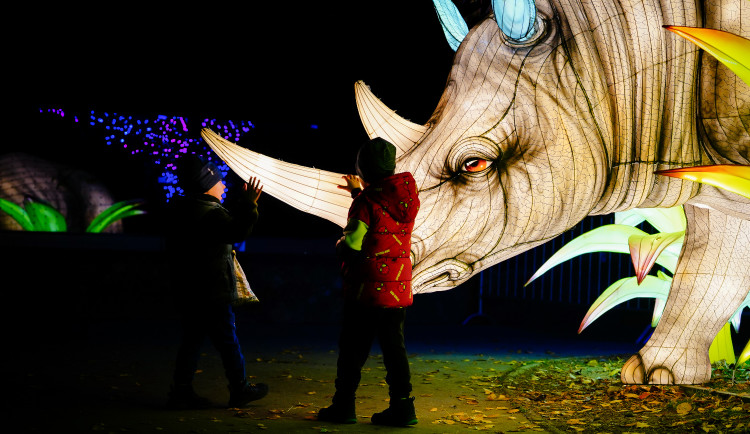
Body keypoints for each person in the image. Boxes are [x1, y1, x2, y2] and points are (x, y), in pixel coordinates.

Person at [317, 137, 420, 426]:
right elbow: (382, 218)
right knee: (394, 348)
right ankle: (403, 407)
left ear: (364, 170)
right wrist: (358, 195)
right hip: (397, 289)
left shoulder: (365, 203)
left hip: (366, 290)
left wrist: (340, 245)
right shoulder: (405, 199)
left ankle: (344, 405)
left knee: (353, 348)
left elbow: (353, 244)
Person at [163, 154, 268, 409]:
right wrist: (250, 204)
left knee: (192, 339)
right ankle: (240, 388)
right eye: (219, 181)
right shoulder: (209, 213)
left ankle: (182, 390)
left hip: (192, 289)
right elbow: (237, 231)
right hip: (212, 291)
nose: (223, 186)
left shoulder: (186, 209)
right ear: (207, 184)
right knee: (227, 340)